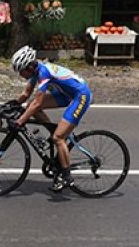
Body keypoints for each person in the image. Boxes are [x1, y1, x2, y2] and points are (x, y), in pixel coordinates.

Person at [8, 45, 92, 193]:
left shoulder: (44, 72)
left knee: (58, 137)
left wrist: (20, 121)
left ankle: (66, 177)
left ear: (28, 67)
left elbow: (38, 102)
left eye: (21, 71)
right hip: (65, 93)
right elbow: (27, 93)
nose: (20, 75)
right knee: (31, 107)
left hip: (80, 96)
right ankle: (53, 132)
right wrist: (13, 104)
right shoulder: (36, 70)